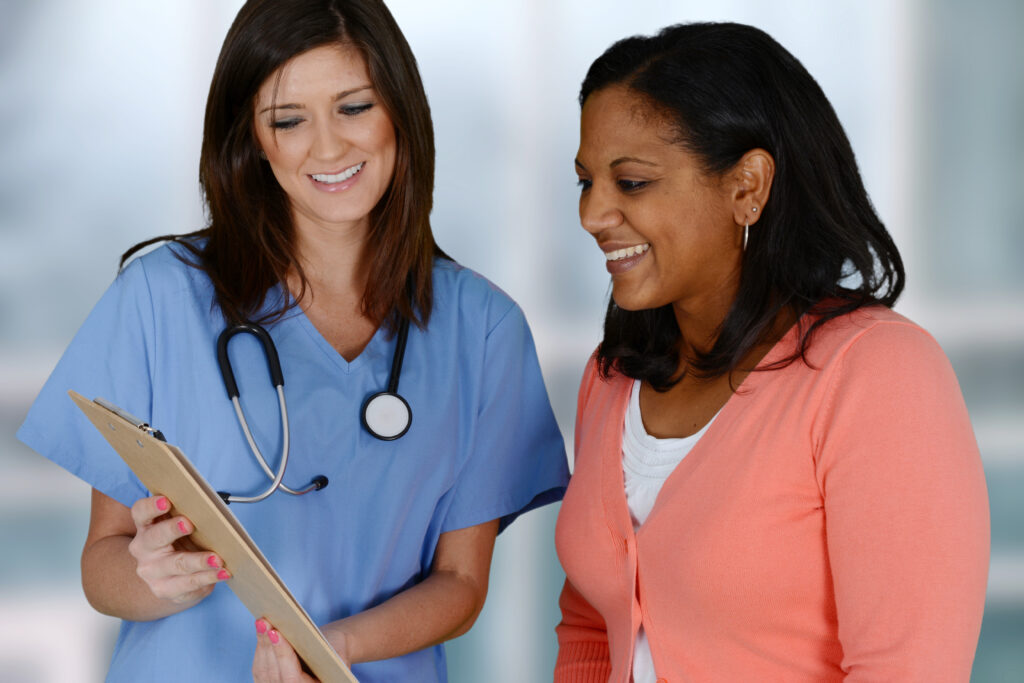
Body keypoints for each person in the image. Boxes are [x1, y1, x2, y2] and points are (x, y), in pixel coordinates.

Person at [17, 1, 568, 681]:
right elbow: (103, 561)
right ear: (250, 137)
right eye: (288, 119)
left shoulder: (483, 330)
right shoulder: (159, 298)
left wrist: (333, 646)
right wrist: (152, 575)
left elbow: (461, 582)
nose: (329, 147)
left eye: (354, 107)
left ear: (400, 109)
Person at [555, 22, 989, 683]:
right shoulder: (611, 376)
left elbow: (906, 669)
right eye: (586, 182)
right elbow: (591, 626)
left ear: (747, 186)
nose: (592, 213)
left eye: (632, 182)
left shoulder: (876, 374)